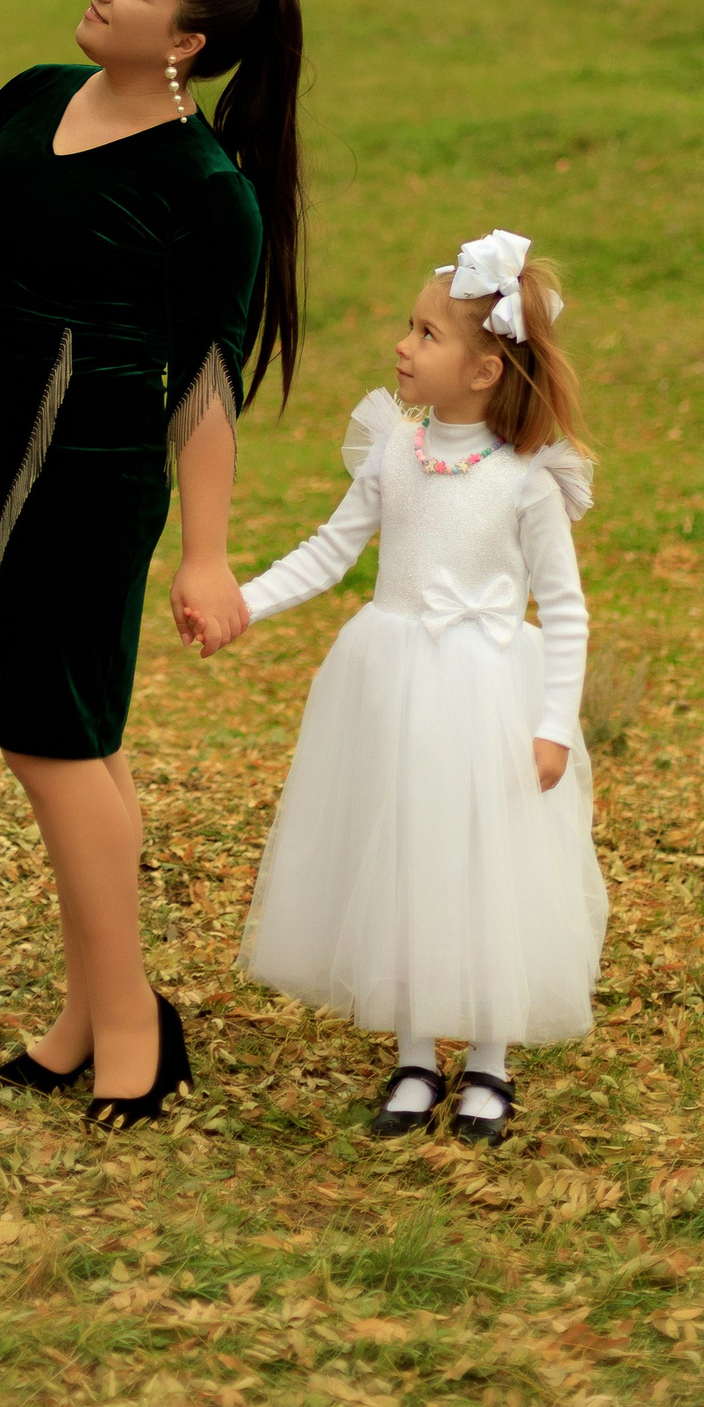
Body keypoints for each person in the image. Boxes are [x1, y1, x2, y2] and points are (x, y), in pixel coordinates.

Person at [0, 0, 304, 1127]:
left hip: (89, 480)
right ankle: (89, 1018)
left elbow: (207, 386)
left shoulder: (206, 190)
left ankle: (135, 1024)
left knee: (51, 740)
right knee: (81, 738)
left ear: (185, 41)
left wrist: (206, 555)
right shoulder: (33, 93)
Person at [232, 232, 607, 1146]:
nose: (403, 345)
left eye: (426, 334)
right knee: (400, 852)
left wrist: (553, 724)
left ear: (483, 371)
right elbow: (329, 552)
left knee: (482, 864)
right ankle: (413, 1056)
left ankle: (488, 1060)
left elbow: (565, 610)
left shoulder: (525, 481)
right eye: (409, 327)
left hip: (486, 697)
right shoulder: (394, 452)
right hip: (391, 685)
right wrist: (243, 603)